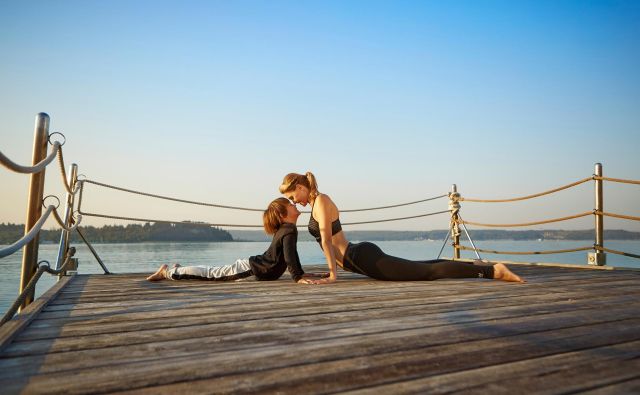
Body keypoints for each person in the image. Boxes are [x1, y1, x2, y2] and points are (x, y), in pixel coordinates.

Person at [279, 172, 525, 284]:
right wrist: (330, 272)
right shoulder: (315, 204)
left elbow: (326, 240)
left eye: (292, 196)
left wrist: (333, 275)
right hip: (359, 258)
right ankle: (475, 265)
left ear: (300, 187)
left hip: (361, 257)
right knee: (422, 266)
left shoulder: (321, 200)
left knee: (426, 273)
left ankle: (493, 273)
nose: (294, 202)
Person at [146, 197, 327, 284]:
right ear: (282, 215)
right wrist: (297, 277)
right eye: (291, 204)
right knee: (211, 275)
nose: (295, 204)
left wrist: (301, 274)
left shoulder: (287, 229)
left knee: (212, 272)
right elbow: (289, 256)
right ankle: (167, 272)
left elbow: (290, 256)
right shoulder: (288, 230)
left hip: (253, 268)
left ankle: (178, 268)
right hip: (249, 270)